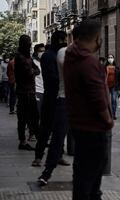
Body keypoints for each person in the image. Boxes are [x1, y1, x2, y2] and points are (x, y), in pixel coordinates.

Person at [64, 20, 114, 200]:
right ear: (95, 38)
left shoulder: (72, 56)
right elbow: (97, 97)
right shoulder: (88, 62)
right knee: (90, 183)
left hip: (79, 125)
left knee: (84, 178)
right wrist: (108, 119)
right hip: (93, 127)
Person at [32, 31, 68, 167]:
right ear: (59, 40)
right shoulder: (48, 56)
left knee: (60, 130)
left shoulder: (61, 55)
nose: (66, 42)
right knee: (46, 128)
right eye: (64, 40)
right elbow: (52, 77)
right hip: (51, 97)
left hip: (61, 97)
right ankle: (38, 156)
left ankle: (59, 155)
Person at [14, 35, 40, 150]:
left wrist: (32, 71)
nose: (30, 43)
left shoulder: (27, 57)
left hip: (30, 91)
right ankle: (23, 141)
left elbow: (36, 70)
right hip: (24, 92)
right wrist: (32, 71)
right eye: (28, 41)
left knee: (34, 117)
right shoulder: (20, 57)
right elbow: (28, 73)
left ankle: (37, 137)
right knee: (23, 118)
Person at [105, 54, 120, 120]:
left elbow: (119, 78)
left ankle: (113, 114)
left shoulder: (116, 67)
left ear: (113, 58)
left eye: (111, 57)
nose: (110, 58)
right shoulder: (105, 67)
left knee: (113, 100)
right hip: (106, 86)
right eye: (109, 57)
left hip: (114, 86)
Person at [32, 44, 45, 115]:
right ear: (36, 52)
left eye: (43, 51)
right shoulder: (33, 62)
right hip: (37, 90)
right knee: (37, 112)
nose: (42, 53)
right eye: (40, 51)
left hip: (45, 91)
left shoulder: (45, 62)